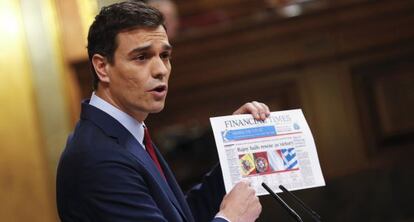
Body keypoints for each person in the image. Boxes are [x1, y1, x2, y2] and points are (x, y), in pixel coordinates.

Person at [56, 1, 270, 221]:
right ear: (102, 67)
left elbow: (182, 217)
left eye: (164, 56)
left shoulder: (127, 132)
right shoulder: (97, 158)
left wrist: (233, 153)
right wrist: (230, 219)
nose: (160, 70)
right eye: (141, 57)